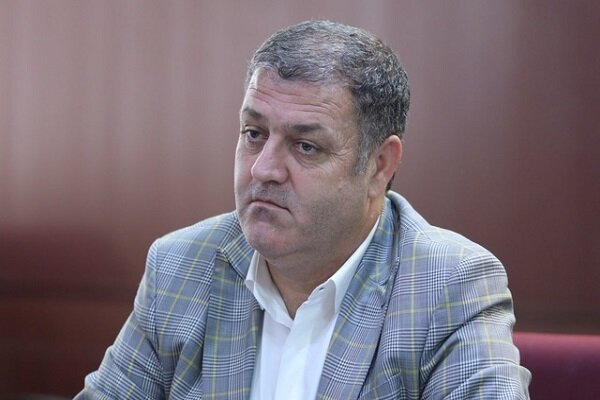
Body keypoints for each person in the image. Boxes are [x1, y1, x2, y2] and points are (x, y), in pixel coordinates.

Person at [76, 20, 531, 399]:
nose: (263, 169)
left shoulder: (448, 285)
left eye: (306, 146)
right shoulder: (181, 267)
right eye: (254, 134)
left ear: (379, 165)